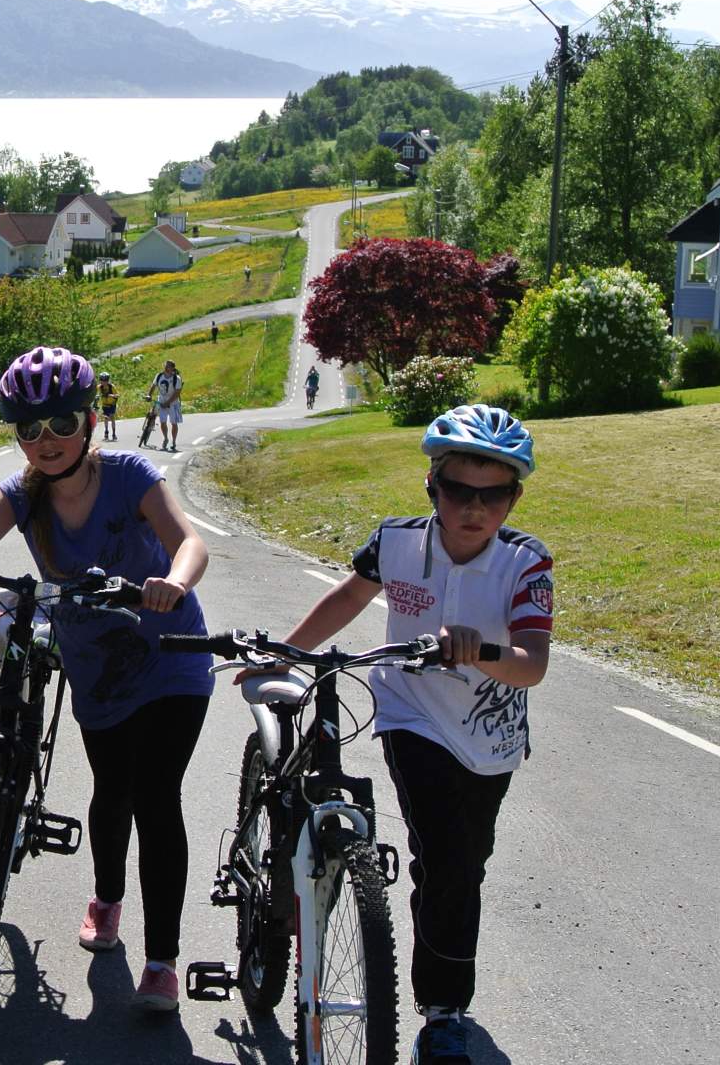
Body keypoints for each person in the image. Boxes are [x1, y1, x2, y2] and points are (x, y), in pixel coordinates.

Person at [0, 347, 215, 1013]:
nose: (46, 441)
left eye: (62, 423)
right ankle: (107, 897)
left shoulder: (130, 476)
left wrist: (173, 582)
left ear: (90, 420)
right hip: (96, 668)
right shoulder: (24, 495)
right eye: (30, 429)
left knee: (157, 796)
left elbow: (189, 541)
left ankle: (161, 960)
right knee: (111, 788)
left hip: (172, 655)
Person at [254, 404, 550, 1063]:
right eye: (458, 491)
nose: (475, 508)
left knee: (464, 866)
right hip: (410, 715)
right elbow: (347, 599)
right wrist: (287, 652)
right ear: (432, 488)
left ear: (514, 496)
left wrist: (479, 653)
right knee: (442, 857)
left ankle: (441, 985)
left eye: (493, 493)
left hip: (490, 738)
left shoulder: (525, 563)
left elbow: (532, 664)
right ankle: (444, 1012)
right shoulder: (395, 542)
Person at [152, 359, 183, 452]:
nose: (166, 367)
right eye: (165, 365)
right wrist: (149, 394)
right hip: (161, 402)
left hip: (173, 403)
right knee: (162, 422)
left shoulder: (176, 379)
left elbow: (177, 393)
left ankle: (173, 442)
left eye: (168, 366)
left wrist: (168, 402)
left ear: (172, 368)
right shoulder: (159, 376)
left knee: (173, 423)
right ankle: (165, 438)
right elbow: (153, 386)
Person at [96, 372, 120, 441]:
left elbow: (118, 395)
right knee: (106, 418)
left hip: (112, 404)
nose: (104, 382)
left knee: (112, 417)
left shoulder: (111, 386)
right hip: (105, 405)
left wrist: (111, 395)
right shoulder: (99, 387)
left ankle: (114, 433)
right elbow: (94, 393)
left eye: (105, 380)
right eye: (102, 380)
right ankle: (106, 432)